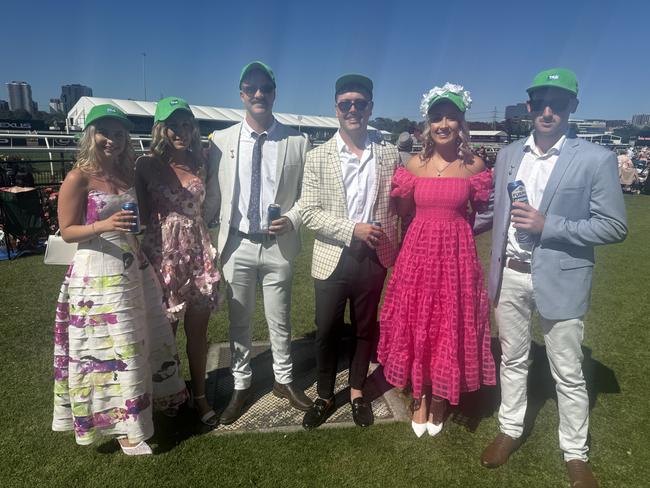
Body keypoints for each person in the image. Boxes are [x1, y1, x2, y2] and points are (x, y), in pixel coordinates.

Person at [479, 69, 627, 488]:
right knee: (511, 359)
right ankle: (509, 430)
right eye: (541, 101)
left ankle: (575, 454)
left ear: (572, 108)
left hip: (561, 279)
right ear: (528, 107)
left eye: (558, 103)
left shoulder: (595, 159)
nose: (548, 110)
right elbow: (497, 212)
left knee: (568, 370)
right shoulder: (509, 154)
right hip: (510, 275)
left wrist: (550, 225)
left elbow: (614, 226)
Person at [52, 104, 187, 455]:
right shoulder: (79, 176)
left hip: (131, 272)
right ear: (91, 135)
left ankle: (136, 419)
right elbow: (66, 231)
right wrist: (103, 226)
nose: (112, 139)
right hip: (96, 274)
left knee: (134, 345)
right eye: (104, 132)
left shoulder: (126, 174)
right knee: (104, 353)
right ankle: (119, 428)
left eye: (118, 133)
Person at [378, 83, 496, 437]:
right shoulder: (414, 164)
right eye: (437, 117)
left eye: (451, 116)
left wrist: (459, 235)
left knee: (449, 321)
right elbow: (401, 211)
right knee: (418, 319)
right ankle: (421, 395)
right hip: (418, 254)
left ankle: (442, 395)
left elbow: (484, 213)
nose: (444, 123)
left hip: (456, 257)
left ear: (461, 121)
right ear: (427, 123)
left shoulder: (474, 166)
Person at [204, 61, 312, 424]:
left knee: (279, 319)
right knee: (240, 320)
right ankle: (242, 383)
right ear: (242, 95)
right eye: (251, 88)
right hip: (237, 244)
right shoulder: (220, 141)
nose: (258, 94)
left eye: (265, 88)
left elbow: (306, 197)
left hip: (278, 243)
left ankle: (283, 380)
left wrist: (292, 219)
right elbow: (211, 196)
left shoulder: (298, 141)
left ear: (274, 93)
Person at [299, 74, 399, 429]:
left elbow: (404, 200)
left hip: (374, 256)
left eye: (360, 103)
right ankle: (325, 394)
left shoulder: (390, 153)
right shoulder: (317, 156)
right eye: (346, 104)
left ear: (371, 107)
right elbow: (309, 211)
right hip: (332, 255)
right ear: (336, 108)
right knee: (326, 329)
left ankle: (356, 390)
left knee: (364, 328)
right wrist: (350, 229)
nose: (353, 109)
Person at [135, 97, 222, 427]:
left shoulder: (201, 160)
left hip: (198, 254)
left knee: (197, 333)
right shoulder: (145, 165)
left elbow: (209, 204)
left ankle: (199, 397)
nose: (180, 131)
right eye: (173, 124)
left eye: (186, 124)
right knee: (164, 334)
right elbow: (141, 216)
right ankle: (167, 396)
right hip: (163, 256)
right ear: (161, 128)